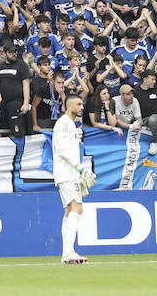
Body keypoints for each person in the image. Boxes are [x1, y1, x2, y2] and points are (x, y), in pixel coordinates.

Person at [52, 93, 93, 265]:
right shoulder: (64, 123)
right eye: (78, 104)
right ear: (68, 106)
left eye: (82, 104)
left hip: (68, 173)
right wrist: (79, 168)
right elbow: (62, 149)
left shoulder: (70, 124)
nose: (81, 107)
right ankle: (69, 251)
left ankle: (66, 253)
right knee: (78, 208)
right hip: (67, 172)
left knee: (69, 211)